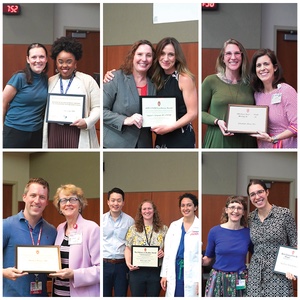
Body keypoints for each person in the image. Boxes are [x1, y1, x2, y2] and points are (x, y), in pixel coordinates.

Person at [42, 36, 100, 148]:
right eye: (60, 62)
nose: (64, 66)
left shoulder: (87, 81)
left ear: (75, 63)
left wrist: (87, 122)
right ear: (56, 63)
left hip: (78, 131)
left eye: (69, 62)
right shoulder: (50, 81)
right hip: (54, 131)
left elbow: (98, 107)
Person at [3, 178, 57, 296]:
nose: (37, 201)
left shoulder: (52, 231)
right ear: (24, 197)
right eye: (33, 195)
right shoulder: (6, 225)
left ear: (47, 202)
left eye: (42, 197)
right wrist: (3, 272)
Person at [202, 38, 257, 148]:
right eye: (228, 53)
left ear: (242, 57)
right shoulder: (211, 81)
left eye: (237, 53)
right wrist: (217, 121)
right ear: (222, 58)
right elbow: (199, 112)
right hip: (218, 139)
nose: (233, 57)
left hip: (245, 142)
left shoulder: (250, 85)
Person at [246, 179, 297, 297]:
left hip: (280, 272)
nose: (257, 197)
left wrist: (293, 267)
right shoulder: (250, 218)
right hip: (256, 273)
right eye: (252, 194)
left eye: (260, 192)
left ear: (267, 192)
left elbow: (295, 243)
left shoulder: (284, 214)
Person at [49, 184, 100, 297]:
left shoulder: (92, 228)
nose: (68, 203)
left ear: (80, 204)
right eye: (63, 200)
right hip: (58, 293)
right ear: (59, 207)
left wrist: (74, 274)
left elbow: (101, 270)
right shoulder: (60, 229)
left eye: (73, 199)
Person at [103, 40, 156, 148]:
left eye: (149, 55)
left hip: (144, 145)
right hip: (115, 144)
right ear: (132, 56)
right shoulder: (115, 78)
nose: (144, 59)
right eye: (140, 54)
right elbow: (101, 110)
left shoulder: (155, 83)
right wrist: (125, 120)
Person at [151, 37, 198, 148]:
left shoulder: (184, 78)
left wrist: (170, 127)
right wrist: (111, 74)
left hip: (181, 136)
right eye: (162, 54)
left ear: (177, 57)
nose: (166, 58)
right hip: (162, 135)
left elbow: (192, 113)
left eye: (171, 54)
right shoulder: (155, 77)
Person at [202, 196, 253, 297]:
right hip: (218, 279)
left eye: (239, 208)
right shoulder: (215, 232)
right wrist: (199, 260)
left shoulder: (248, 233)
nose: (235, 211)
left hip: (240, 279)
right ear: (226, 210)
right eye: (232, 207)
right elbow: (208, 259)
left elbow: (257, 255)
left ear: (243, 212)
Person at [3, 43, 49, 148]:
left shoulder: (46, 79)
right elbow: (3, 102)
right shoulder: (19, 77)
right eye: (34, 57)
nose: (38, 60)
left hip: (37, 132)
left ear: (46, 59)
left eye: (41, 57)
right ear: (28, 59)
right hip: (14, 131)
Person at [249, 49, 297, 148]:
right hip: (264, 147)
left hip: (286, 148)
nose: (262, 68)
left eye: (266, 64)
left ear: (275, 68)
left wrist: (273, 139)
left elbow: (297, 125)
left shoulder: (286, 91)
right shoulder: (257, 94)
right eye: (258, 65)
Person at [125, 200, 168, 296]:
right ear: (141, 212)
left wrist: (164, 253)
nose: (147, 211)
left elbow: (169, 249)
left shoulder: (164, 229)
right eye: (144, 209)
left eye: (149, 208)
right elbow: (128, 248)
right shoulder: (133, 229)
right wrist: (128, 263)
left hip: (155, 272)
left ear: (154, 211)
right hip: (137, 271)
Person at [160, 193, 200, 297]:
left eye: (189, 205)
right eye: (183, 205)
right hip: (175, 270)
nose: (185, 208)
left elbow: (199, 256)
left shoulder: (199, 226)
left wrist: (199, 280)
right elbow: (167, 253)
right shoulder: (174, 226)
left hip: (192, 273)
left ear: (195, 207)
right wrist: (164, 274)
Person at [103, 187, 134, 297]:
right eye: (113, 200)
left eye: (119, 200)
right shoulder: (101, 219)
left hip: (122, 265)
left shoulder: (130, 221)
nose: (115, 203)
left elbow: (131, 245)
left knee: (121, 295)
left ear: (123, 202)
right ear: (108, 202)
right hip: (104, 264)